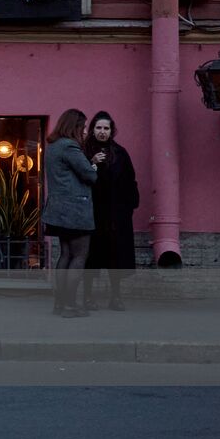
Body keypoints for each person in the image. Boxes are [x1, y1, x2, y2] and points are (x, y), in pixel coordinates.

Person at [41, 108, 100, 318]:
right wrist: (94, 165)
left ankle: (59, 304)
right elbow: (89, 175)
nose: (84, 132)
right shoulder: (70, 147)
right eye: (83, 128)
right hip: (75, 210)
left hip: (58, 209)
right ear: (74, 127)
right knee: (79, 256)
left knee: (65, 255)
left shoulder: (53, 146)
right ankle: (69, 305)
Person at [83, 111, 138, 311]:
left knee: (115, 257)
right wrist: (92, 163)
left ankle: (116, 297)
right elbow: (79, 177)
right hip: (91, 214)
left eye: (106, 128)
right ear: (92, 129)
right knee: (91, 257)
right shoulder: (84, 150)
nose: (102, 132)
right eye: (99, 128)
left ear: (111, 130)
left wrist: (128, 209)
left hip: (116, 215)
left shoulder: (120, 152)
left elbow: (130, 181)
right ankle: (87, 297)